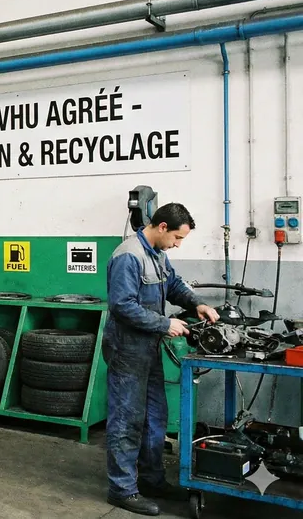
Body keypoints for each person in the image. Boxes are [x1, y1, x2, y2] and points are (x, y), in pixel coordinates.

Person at [103, 203, 219, 516]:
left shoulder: (157, 254)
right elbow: (122, 306)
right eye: (178, 238)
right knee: (127, 419)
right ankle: (122, 489)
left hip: (147, 348)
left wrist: (198, 305)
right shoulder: (129, 255)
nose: (179, 244)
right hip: (126, 349)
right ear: (163, 227)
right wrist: (165, 324)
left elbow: (173, 285)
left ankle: (152, 479)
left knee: (155, 417)